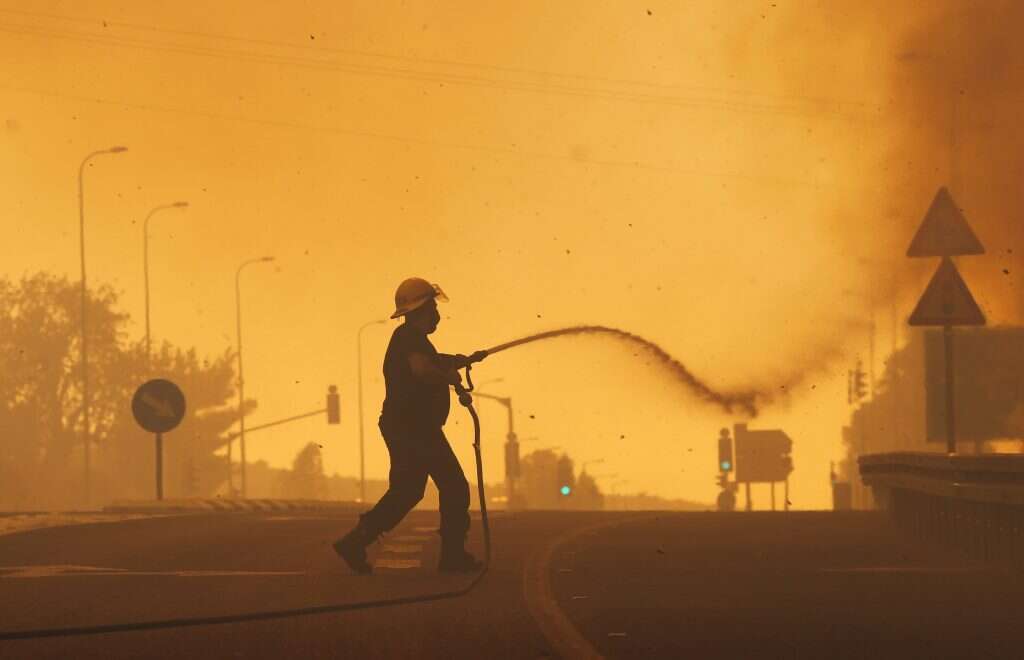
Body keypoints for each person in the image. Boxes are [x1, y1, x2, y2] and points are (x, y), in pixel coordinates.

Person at [334, 277, 487, 574]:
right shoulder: (409, 339)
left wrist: (459, 360)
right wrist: (449, 377)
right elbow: (422, 370)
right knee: (454, 486)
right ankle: (453, 557)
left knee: (407, 491)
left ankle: (355, 542)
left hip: (406, 427)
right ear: (420, 311)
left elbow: (427, 361)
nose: (438, 316)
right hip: (415, 429)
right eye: (432, 309)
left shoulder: (412, 341)